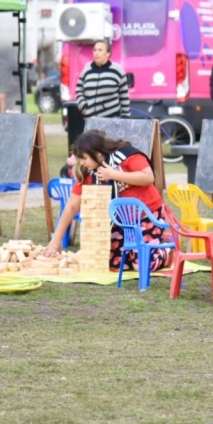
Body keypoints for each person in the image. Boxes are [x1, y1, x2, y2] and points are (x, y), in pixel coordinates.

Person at [41, 130, 171, 271]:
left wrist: (113, 174)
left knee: (143, 265)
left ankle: (168, 250)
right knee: (112, 263)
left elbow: (148, 178)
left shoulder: (126, 155)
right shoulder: (89, 173)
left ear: (98, 154)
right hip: (119, 221)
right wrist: (56, 240)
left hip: (146, 215)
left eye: (84, 158)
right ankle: (142, 248)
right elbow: (71, 207)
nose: (82, 163)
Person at [75, 39, 130, 119]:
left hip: (111, 119)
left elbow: (124, 96)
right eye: (95, 50)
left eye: (100, 50)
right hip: (90, 120)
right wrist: (82, 105)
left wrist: (126, 118)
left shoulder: (118, 70)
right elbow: (79, 89)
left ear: (108, 53)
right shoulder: (87, 69)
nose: (96, 53)